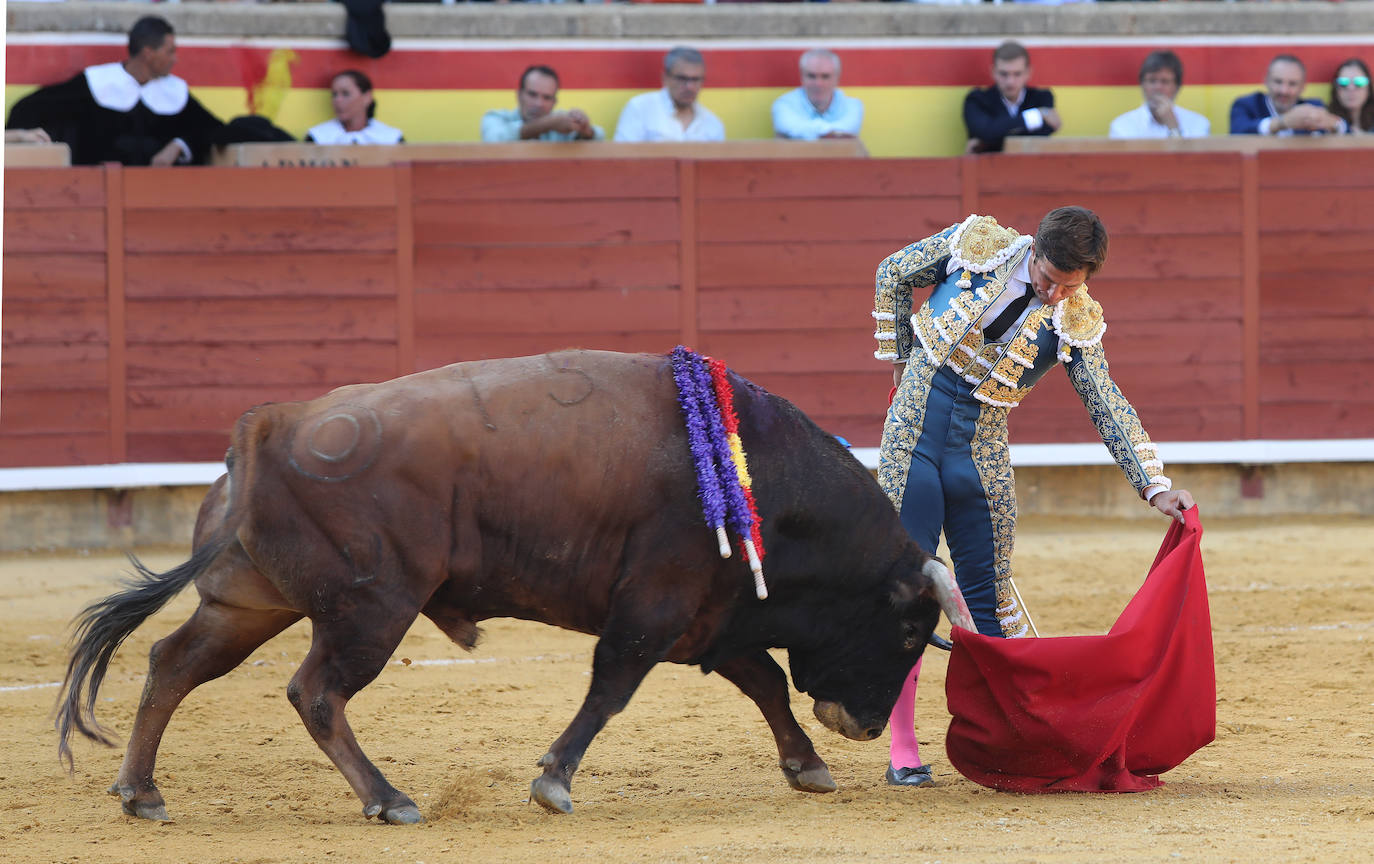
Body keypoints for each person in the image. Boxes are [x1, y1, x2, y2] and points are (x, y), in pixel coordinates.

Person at [870, 207, 1194, 787]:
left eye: (1071, 286)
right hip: (913, 434)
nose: (1054, 294)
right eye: (1048, 279)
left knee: (988, 593)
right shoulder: (979, 244)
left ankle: (1006, 742)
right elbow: (893, 271)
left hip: (980, 452)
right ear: (1033, 253)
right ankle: (902, 747)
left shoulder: (1077, 317)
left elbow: (1106, 401)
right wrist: (899, 363)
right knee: (908, 586)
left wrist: (1155, 485)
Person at [4, 15, 224, 166]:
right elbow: (30, 109)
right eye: (170, 52)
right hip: (95, 191)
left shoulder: (175, 91)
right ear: (148, 53)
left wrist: (178, 145)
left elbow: (214, 131)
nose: (175, 59)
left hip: (161, 193)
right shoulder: (97, 83)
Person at [963, 41, 1059, 154]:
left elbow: (1043, 134)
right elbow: (985, 132)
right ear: (993, 72)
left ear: (1028, 72)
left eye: (1017, 74)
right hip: (988, 170)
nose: (1010, 82)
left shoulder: (1042, 98)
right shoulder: (977, 99)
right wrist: (1035, 116)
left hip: (1031, 168)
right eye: (1004, 74)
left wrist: (988, 140)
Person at [613, 47, 725, 143]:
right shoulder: (640, 109)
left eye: (695, 80)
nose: (689, 86)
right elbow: (623, 162)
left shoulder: (713, 124)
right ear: (665, 78)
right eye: (682, 78)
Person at [1229, 54, 1345, 136]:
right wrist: (1282, 123)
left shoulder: (1313, 106)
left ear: (1302, 87)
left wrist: (1333, 124)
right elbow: (1238, 131)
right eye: (1278, 82)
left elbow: (1347, 132)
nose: (1284, 90)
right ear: (1266, 81)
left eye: (1292, 84)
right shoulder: (1246, 105)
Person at [481, 65, 603, 142]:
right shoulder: (496, 117)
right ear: (519, 95)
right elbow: (493, 139)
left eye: (546, 97)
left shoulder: (561, 122)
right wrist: (548, 124)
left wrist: (585, 129)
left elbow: (600, 138)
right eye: (532, 94)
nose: (539, 103)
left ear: (554, 102)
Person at [1108, 50, 1211, 139]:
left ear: (1177, 87)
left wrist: (1174, 128)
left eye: (1165, 82)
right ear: (1142, 85)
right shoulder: (1122, 125)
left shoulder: (1198, 123)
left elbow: (1192, 161)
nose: (1157, 87)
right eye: (1152, 81)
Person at [771, 49, 863, 140]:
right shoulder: (784, 104)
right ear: (802, 77)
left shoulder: (853, 106)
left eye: (825, 76)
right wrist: (833, 134)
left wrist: (802, 133)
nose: (818, 84)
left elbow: (849, 130)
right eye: (812, 76)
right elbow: (844, 133)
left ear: (837, 78)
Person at [305, 70, 403, 145]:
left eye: (345, 94)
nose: (338, 100)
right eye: (334, 95)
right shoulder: (317, 137)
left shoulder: (391, 138)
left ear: (367, 97)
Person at [1327, 58, 1374, 135]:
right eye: (1343, 82)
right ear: (1336, 89)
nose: (1351, 88)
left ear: (1369, 88)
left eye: (1359, 82)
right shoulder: (1326, 120)